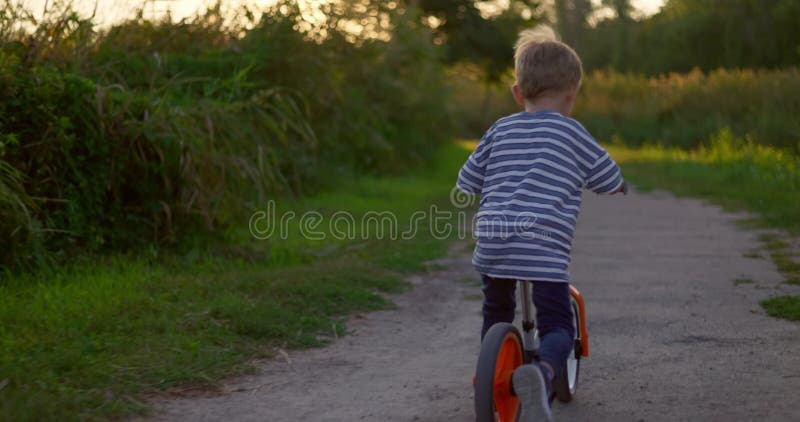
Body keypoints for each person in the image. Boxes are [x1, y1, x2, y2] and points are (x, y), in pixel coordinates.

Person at [456, 25, 625, 422]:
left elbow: (466, 181)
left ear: (518, 93)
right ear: (573, 94)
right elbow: (608, 178)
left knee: (496, 310)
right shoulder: (572, 133)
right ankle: (544, 371)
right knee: (557, 328)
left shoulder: (500, 128)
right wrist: (617, 187)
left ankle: (491, 372)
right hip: (544, 246)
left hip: (494, 241)